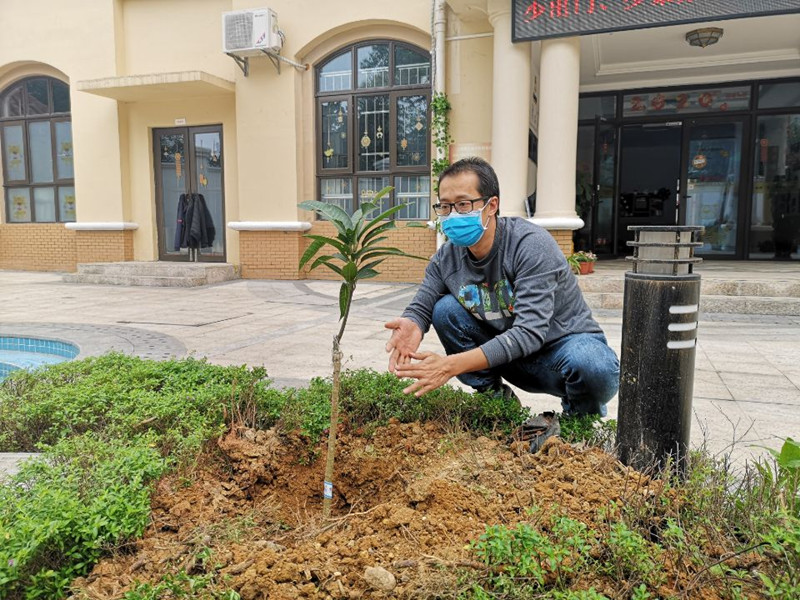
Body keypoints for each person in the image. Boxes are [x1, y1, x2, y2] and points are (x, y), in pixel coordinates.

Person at [384, 157, 619, 428]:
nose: (452, 215)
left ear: (491, 205)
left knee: (594, 364)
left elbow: (529, 333)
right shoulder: (446, 258)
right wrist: (412, 323)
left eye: (462, 204)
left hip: (561, 354)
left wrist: (450, 365)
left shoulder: (530, 245)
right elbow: (423, 303)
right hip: (509, 358)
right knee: (444, 310)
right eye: (445, 206)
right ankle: (498, 406)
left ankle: (576, 423)